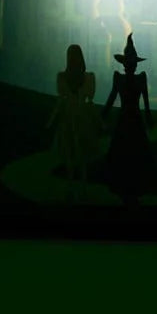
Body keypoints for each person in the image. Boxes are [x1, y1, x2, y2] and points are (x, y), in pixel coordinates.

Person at [100, 33, 157, 207]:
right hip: (132, 119)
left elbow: (113, 100)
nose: (131, 65)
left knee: (126, 152)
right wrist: (149, 118)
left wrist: (102, 115)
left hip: (127, 119)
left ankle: (128, 190)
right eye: (130, 63)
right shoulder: (135, 79)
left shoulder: (125, 79)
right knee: (132, 153)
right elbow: (144, 104)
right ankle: (130, 190)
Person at [45, 43, 102, 200]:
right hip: (81, 117)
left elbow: (61, 101)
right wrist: (99, 121)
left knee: (71, 154)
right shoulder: (88, 78)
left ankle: (71, 188)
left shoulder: (62, 77)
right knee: (81, 154)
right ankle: (81, 188)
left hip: (69, 118)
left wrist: (51, 120)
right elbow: (89, 101)